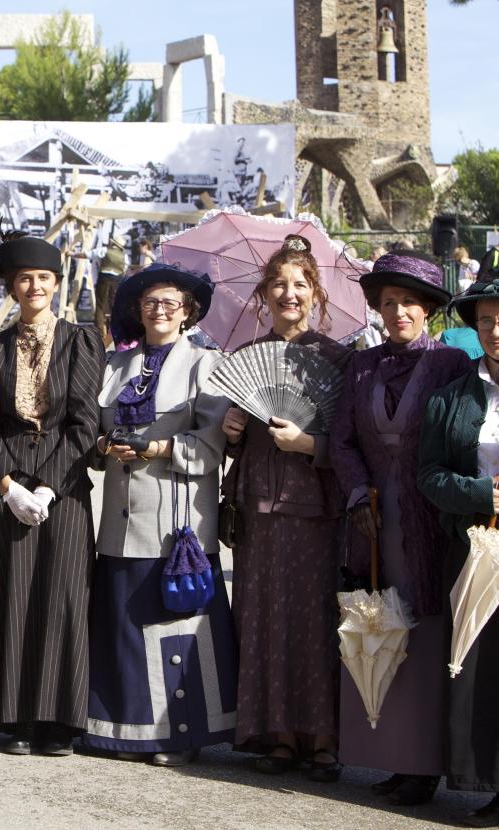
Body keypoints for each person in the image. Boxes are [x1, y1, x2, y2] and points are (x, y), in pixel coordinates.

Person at [329, 251, 472, 805]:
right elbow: (341, 440)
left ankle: (426, 762)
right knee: (380, 628)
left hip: (430, 516)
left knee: (426, 630)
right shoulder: (361, 366)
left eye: (410, 302)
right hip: (371, 517)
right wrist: (356, 494)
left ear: (430, 309)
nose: (398, 312)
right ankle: (391, 757)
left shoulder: (450, 368)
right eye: (389, 303)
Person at [83, 262, 235, 767]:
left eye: (170, 301)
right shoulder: (113, 366)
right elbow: (91, 435)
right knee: (124, 623)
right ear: (137, 311)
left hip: (177, 520)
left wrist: (159, 447)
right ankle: (123, 728)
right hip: (120, 518)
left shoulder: (205, 365)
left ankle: (177, 735)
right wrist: (106, 443)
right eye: (150, 302)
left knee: (174, 622)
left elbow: (211, 445)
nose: (160, 309)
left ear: (187, 311)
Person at [0, 233, 104, 757]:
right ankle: (15, 716)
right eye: (25, 279)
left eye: (43, 278)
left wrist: (46, 483)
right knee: (10, 594)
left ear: (57, 284)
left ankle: (57, 719)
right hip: (5, 484)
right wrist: (7, 484)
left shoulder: (81, 341)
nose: (34, 286)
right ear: (12, 286)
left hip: (62, 487)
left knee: (60, 597)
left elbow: (85, 423)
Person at [219, 235, 351, 780]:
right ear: (263, 296)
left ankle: (322, 738)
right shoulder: (246, 359)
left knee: (315, 621)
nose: (288, 293)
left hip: (314, 513)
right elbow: (237, 443)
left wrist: (309, 445)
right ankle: (276, 734)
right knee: (263, 619)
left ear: (315, 295)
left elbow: (351, 444)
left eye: (299, 284)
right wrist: (229, 433)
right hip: (257, 511)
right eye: (278, 284)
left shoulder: (340, 360)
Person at [418, 279, 499, 827]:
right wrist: (479, 494)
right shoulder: (453, 398)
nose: (496, 331)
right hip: (476, 547)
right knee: (485, 668)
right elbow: (428, 474)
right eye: (487, 322)